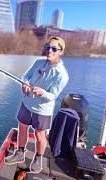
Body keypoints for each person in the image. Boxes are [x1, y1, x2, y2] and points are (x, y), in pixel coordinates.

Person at [4, 37, 69, 173]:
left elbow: (53, 96)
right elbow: (25, 76)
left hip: (42, 109)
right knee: (22, 127)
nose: (49, 51)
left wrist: (42, 92)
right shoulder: (38, 62)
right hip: (27, 103)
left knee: (40, 135)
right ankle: (20, 152)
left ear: (61, 52)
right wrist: (25, 83)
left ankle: (38, 158)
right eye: (47, 47)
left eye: (54, 49)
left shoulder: (62, 75)